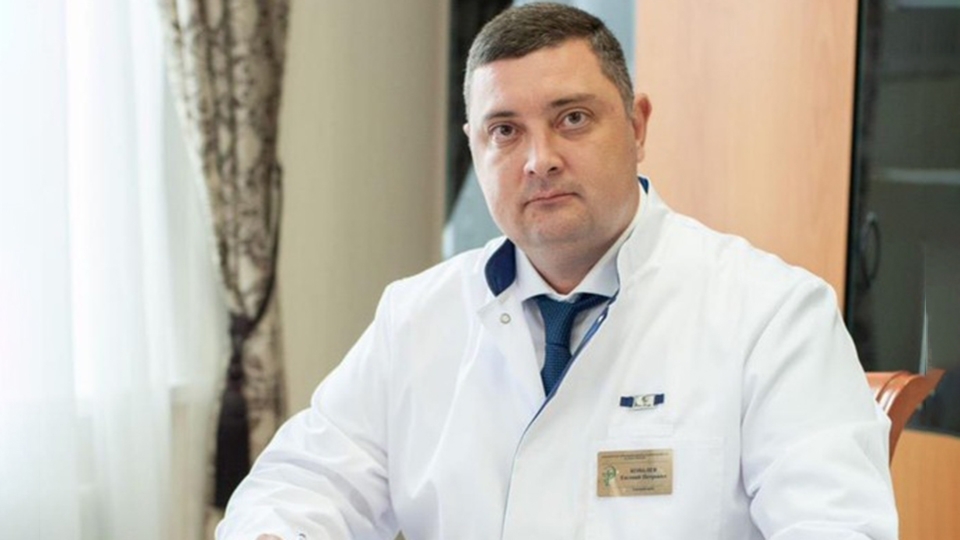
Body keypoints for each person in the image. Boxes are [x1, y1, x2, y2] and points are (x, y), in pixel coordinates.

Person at [217, 3, 898, 539]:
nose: (538, 159)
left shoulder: (773, 314)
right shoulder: (416, 316)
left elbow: (836, 527)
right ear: (474, 149)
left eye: (572, 119)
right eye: (505, 131)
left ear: (637, 126)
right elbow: (302, 483)